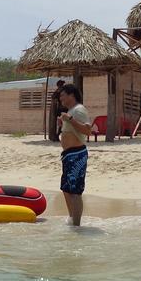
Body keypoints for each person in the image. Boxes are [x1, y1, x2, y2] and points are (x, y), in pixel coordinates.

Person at [57, 84, 91, 226]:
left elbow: (87, 130)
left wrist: (70, 119)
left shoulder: (79, 110)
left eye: (62, 95)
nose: (61, 98)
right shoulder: (71, 111)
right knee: (66, 188)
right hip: (68, 155)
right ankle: (72, 219)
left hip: (76, 154)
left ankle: (77, 225)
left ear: (71, 95)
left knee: (75, 191)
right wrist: (63, 122)